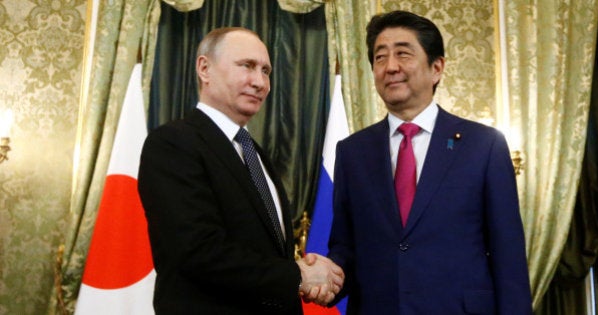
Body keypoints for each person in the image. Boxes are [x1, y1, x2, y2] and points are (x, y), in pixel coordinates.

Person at [328, 11, 532, 315]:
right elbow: (346, 246)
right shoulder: (352, 152)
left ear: (437, 68)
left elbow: (509, 257)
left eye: (403, 54)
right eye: (380, 58)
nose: (390, 67)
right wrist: (323, 277)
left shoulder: (484, 146)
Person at [138, 27, 343, 314]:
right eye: (247, 66)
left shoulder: (255, 154)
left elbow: (266, 252)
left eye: (266, 71)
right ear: (204, 68)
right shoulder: (173, 143)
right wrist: (299, 276)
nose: (259, 82)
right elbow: (198, 252)